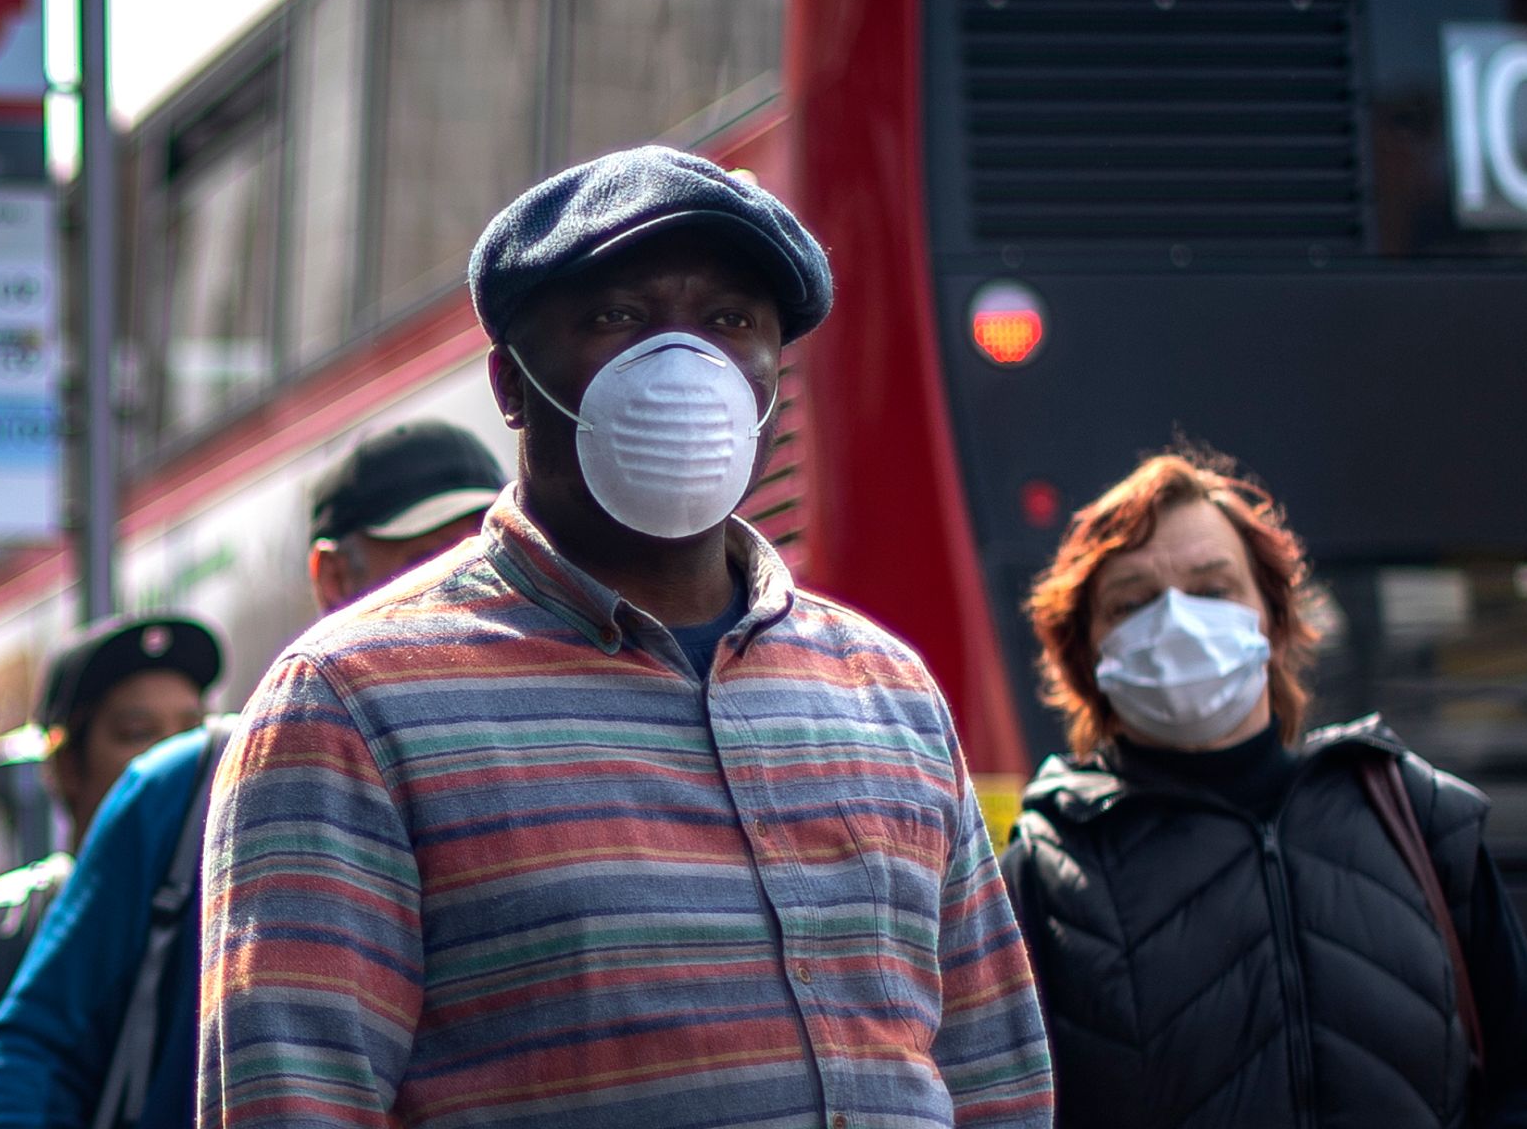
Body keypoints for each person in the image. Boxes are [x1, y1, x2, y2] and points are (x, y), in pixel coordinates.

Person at [199, 146, 1054, 1129]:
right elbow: (294, 1098)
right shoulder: (350, 705)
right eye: (618, 318)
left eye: (730, 321)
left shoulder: (884, 688)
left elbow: (992, 1071)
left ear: (777, 375)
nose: (686, 367)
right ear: (510, 385)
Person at [999, 448, 1527, 1128]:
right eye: (1132, 603)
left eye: (1213, 590)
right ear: (1086, 653)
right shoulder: (1045, 876)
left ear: (1273, 621)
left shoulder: (1414, 816)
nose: (1177, 622)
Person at [0, 420, 504, 1129]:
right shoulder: (181, 790)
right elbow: (36, 1050)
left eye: (483, 561)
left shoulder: (569, 767)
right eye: (421, 562)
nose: (459, 593)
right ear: (333, 576)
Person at [0, 614, 221, 1007]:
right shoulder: (1, 936)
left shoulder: (236, 928)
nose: (178, 762)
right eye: (138, 734)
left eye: (193, 733)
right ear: (66, 766)